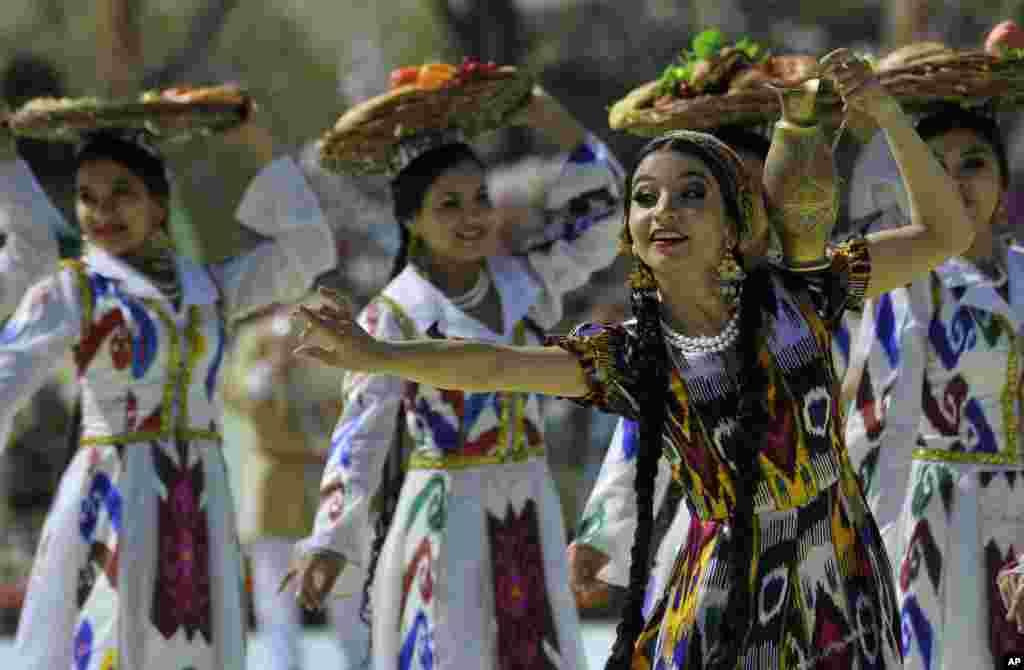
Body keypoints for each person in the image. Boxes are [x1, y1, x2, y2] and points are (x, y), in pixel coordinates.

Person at [291, 49, 976, 669]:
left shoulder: (804, 293)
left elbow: (945, 231)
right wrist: (376, 352)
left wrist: (885, 113)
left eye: (690, 193)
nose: (661, 210)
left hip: (842, 570)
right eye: (644, 198)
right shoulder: (635, 355)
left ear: (737, 222)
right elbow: (494, 366)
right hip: (727, 596)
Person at [284, 85, 625, 670]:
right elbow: (359, 437)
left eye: (479, 199)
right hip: (444, 517)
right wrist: (330, 540)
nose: (472, 217)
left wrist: (555, 120)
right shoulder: (389, 316)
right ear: (412, 220)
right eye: (449, 204)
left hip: (527, 503)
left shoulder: (526, 283)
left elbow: (603, 223)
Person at [0, 108, 338, 670]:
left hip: (199, 491)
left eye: (121, 193)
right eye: (87, 197)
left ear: (159, 204)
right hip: (114, 491)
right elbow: (8, 371)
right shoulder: (75, 290)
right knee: (115, 638)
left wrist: (253, 141)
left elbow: (307, 252)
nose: (102, 212)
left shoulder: (207, 287)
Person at [843, 104, 1024, 668]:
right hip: (928, 517)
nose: (956, 182)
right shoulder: (899, 285)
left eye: (973, 164)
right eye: (935, 169)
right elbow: (865, 420)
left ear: (1003, 185)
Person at [567, 127, 770, 619]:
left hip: (836, 539)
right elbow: (644, 432)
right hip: (713, 550)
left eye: (759, 193)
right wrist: (603, 534)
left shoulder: (820, 301)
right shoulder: (672, 326)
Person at [223, 303, 370, 670]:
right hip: (273, 481)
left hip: (330, 477)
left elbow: (357, 395)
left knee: (346, 588)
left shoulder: (329, 327)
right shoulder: (255, 336)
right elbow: (241, 396)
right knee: (276, 594)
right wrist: (274, 359)